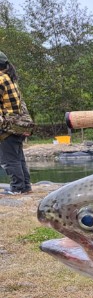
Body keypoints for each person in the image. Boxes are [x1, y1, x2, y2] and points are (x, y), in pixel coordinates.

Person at [0, 51, 34, 195]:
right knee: (19, 158)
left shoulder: (1, 79)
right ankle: (25, 186)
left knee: (9, 160)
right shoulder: (10, 78)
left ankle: (17, 188)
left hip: (8, 127)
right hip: (18, 126)